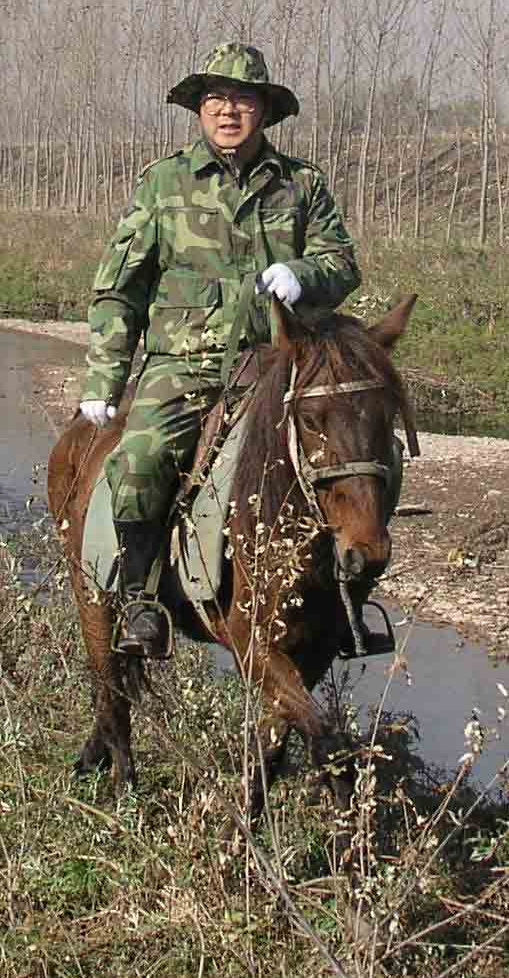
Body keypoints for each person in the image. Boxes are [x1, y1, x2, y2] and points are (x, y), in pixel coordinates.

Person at [79, 41, 361, 652]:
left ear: (263, 110)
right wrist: (104, 381)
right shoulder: (163, 184)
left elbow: (343, 263)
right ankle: (141, 603)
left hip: (278, 364)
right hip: (184, 364)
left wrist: (305, 276)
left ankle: (344, 601)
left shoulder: (301, 185)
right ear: (199, 111)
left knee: (356, 455)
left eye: (241, 99)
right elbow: (119, 289)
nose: (227, 111)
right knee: (140, 463)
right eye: (215, 100)